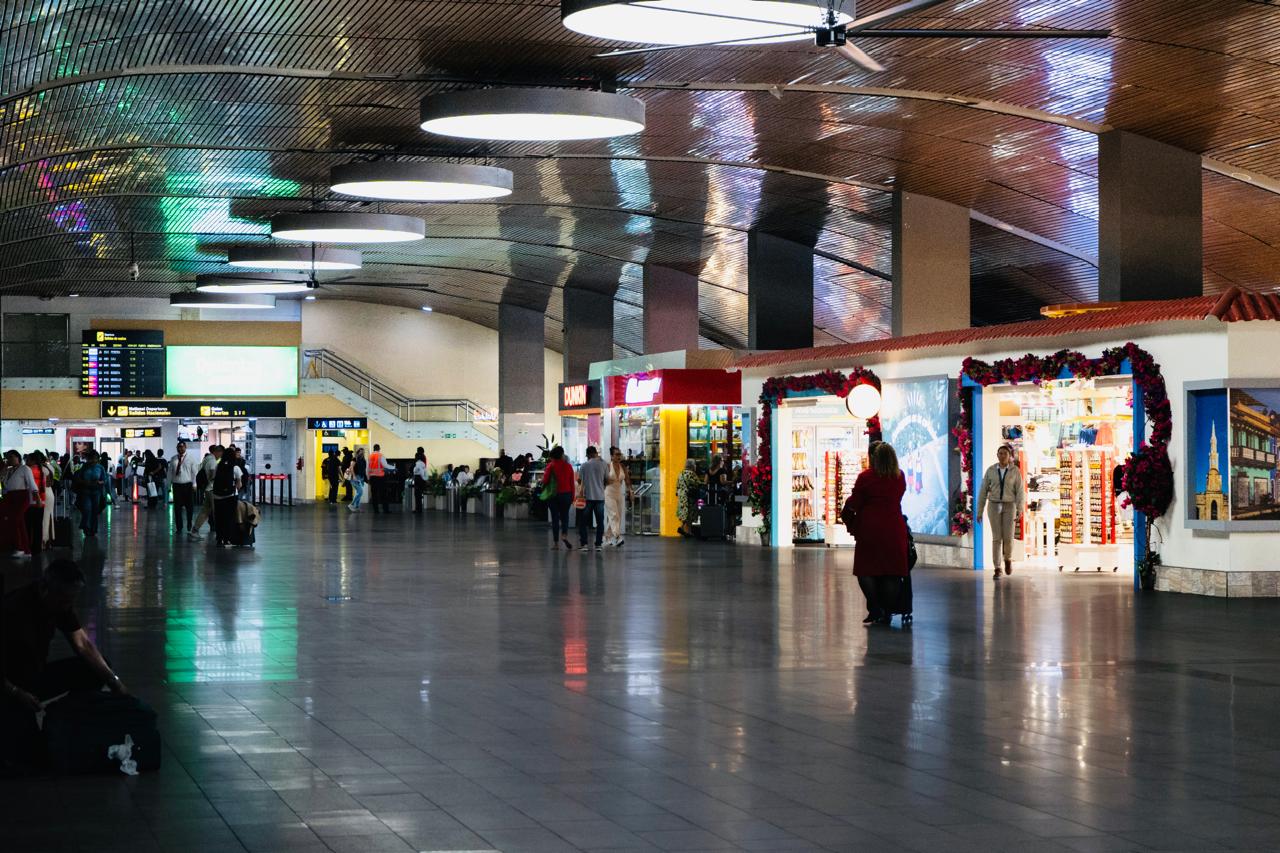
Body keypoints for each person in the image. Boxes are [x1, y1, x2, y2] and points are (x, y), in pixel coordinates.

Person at [1, 560, 131, 766]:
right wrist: (17, 692)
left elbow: (82, 644)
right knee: (27, 755)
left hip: (34, 678)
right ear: (45, 589)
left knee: (95, 668)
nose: (67, 606)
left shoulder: (59, 603)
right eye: (64, 600)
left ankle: (74, 719)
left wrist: (114, 681)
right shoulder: (13, 610)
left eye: (71, 600)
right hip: (8, 688)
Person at [842, 442, 910, 626]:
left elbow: (856, 501)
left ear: (874, 458)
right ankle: (887, 610)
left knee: (866, 570)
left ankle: (875, 607)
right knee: (892, 571)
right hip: (894, 528)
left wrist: (849, 512)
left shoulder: (866, 477)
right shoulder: (899, 476)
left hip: (870, 528)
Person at [976, 443, 1024, 580]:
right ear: (997, 455)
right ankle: (997, 568)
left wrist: (1020, 509)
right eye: (1000, 453)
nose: (1002, 456)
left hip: (1010, 505)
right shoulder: (991, 470)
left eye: (1005, 454)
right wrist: (979, 511)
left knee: (1008, 537)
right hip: (994, 505)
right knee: (996, 538)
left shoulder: (1015, 471)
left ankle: (1008, 558)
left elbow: (1020, 492)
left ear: (1009, 456)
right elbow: (983, 491)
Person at [2, 450, 38, 559]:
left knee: (17, 520)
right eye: (8, 457)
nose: (9, 459)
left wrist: (37, 499)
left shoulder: (25, 468)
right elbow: (5, 485)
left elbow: (32, 484)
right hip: (10, 497)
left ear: (18, 457)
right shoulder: (8, 471)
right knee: (16, 522)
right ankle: (22, 548)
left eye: (11, 457)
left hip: (22, 497)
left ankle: (24, 549)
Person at [543, 446, 576, 550]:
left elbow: (545, 481)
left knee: (555, 518)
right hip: (566, 494)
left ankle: (556, 543)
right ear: (561, 455)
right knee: (565, 516)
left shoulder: (550, 466)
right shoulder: (569, 466)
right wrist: (572, 496)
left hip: (553, 495)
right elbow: (572, 483)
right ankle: (564, 535)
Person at [576, 447, 609, 550]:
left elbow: (579, 481)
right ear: (595, 453)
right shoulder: (604, 464)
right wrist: (600, 486)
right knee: (600, 522)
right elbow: (607, 480)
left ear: (588, 455)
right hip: (600, 497)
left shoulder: (584, 465)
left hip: (587, 497)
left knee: (583, 522)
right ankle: (598, 544)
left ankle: (584, 544)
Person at [211, 446, 243, 547]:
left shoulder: (218, 466)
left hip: (217, 496)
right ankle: (227, 539)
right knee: (229, 518)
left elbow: (213, 478)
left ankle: (219, 538)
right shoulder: (235, 467)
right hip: (230, 496)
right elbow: (239, 484)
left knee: (219, 518)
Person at [73, 450, 109, 538]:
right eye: (92, 458)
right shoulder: (84, 467)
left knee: (94, 511)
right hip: (85, 492)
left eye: (95, 458)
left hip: (96, 492)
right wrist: (85, 482)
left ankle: (93, 529)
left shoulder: (100, 468)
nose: (94, 460)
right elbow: (78, 478)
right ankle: (86, 527)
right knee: (87, 509)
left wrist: (101, 482)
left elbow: (105, 479)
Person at [168, 440, 200, 536]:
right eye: (179, 447)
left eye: (182, 447)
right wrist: (168, 485)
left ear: (185, 447)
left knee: (189, 507)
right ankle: (179, 527)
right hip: (177, 485)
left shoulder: (191, 458)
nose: (180, 448)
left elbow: (194, 473)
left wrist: (194, 484)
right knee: (177, 508)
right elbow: (170, 473)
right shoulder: (173, 459)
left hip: (187, 485)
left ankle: (189, 523)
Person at [190, 445, 222, 540]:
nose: (220, 456)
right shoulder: (212, 461)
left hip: (208, 489)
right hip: (212, 489)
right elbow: (212, 475)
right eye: (220, 454)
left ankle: (195, 530)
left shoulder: (206, 459)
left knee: (205, 511)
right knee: (217, 512)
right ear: (217, 452)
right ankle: (221, 534)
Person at [603, 447, 631, 547]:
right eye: (616, 454)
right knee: (614, 515)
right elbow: (601, 479)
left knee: (617, 516)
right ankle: (617, 537)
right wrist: (606, 481)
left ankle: (606, 537)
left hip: (619, 493)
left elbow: (627, 479)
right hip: (609, 493)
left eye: (619, 454)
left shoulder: (622, 466)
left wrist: (630, 491)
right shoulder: (607, 466)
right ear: (611, 456)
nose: (619, 456)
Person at [676, 459, 701, 537]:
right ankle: (687, 530)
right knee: (690, 513)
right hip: (690, 496)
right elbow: (698, 483)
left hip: (682, 496)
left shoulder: (681, 473)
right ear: (692, 466)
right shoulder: (691, 474)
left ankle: (684, 528)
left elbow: (677, 485)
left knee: (684, 513)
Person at [367, 443, 387, 513]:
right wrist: (393, 467)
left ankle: (376, 510)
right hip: (380, 477)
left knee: (374, 494)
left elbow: (367, 468)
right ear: (379, 448)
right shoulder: (380, 455)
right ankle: (385, 510)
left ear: (374, 448)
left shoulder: (370, 456)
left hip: (372, 478)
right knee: (383, 494)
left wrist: (368, 478)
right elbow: (385, 465)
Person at [348, 447, 367, 512]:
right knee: (360, 492)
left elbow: (363, 470)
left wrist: (364, 479)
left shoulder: (363, 460)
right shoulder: (354, 459)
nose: (362, 453)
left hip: (360, 477)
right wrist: (354, 476)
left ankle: (357, 507)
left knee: (359, 492)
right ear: (358, 452)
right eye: (360, 452)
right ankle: (351, 504)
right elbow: (351, 468)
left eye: (363, 452)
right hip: (354, 478)